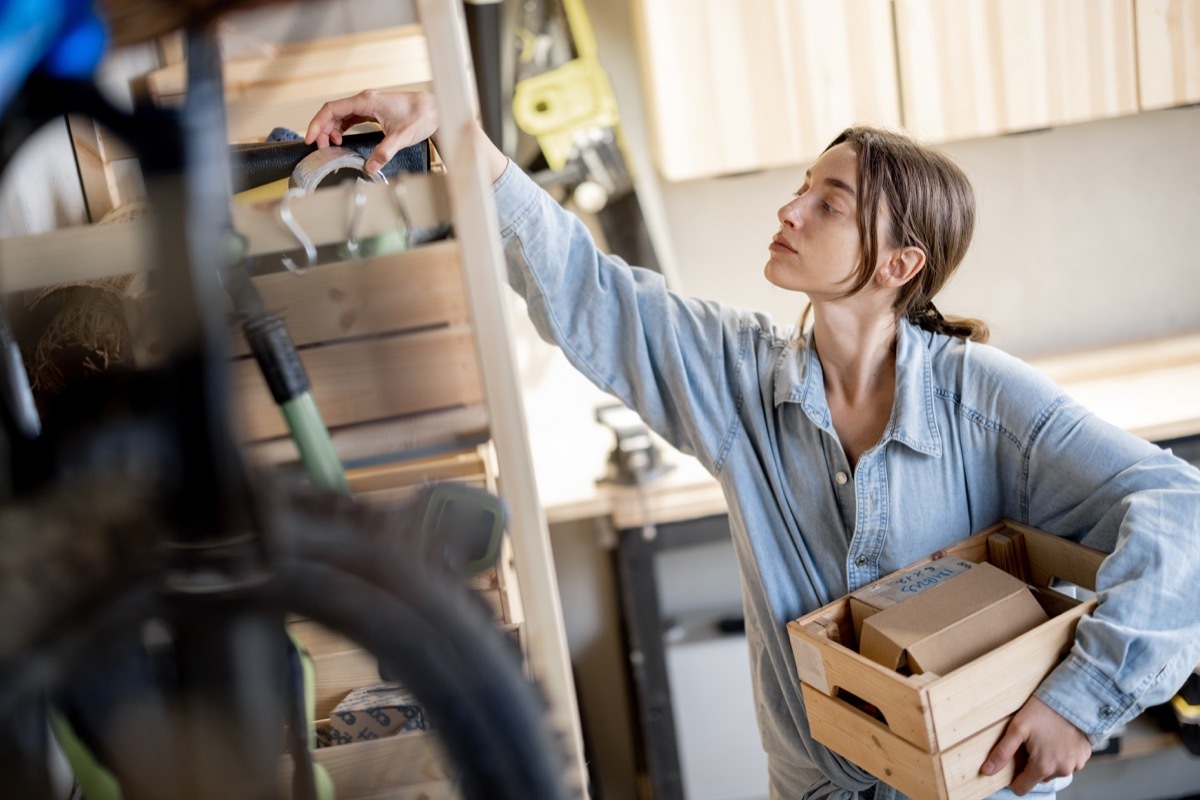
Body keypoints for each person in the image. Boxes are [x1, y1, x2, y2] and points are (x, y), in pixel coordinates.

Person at [306, 90, 1200, 800]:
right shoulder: (739, 379)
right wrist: (458, 134)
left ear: (898, 266)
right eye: (801, 187)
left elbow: (1181, 510)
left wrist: (1077, 702)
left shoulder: (983, 400)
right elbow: (588, 289)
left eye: (828, 201)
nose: (791, 208)